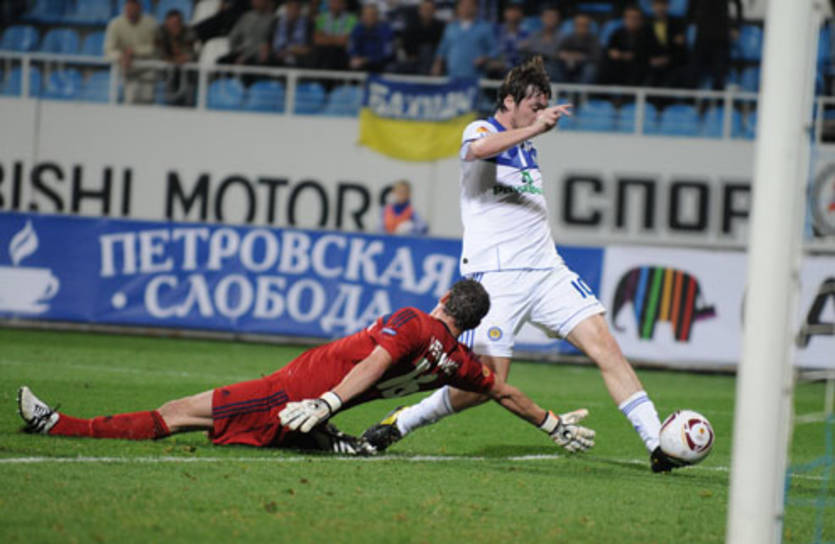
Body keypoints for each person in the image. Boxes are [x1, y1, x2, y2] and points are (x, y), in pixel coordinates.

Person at [361, 57, 680, 473]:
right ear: (509, 101)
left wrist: (532, 130)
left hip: (547, 272)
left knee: (607, 348)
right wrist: (535, 127)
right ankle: (402, 421)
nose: (541, 113)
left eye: (544, 106)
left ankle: (658, 444)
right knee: (483, 386)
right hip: (497, 280)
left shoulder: (526, 146)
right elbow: (478, 151)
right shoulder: (481, 130)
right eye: (534, 105)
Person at [17, 280, 595, 457]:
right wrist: (550, 424)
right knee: (195, 419)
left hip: (289, 396)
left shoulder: (414, 322)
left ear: (445, 297)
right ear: (471, 323)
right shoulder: (460, 361)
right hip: (305, 403)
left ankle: (59, 425)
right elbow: (503, 391)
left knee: (177, 414)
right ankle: (325, 441)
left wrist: (326, 401)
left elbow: (375, 361)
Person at [104, 0, 157, 104]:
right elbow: (108, 50)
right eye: (128, 9)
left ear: (140, 8)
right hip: (125, 69)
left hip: (147, 69)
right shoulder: (115, 24)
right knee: (129, 100)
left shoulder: (151, 23)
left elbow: (154, 48)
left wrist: (134, 51)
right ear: (125, 9)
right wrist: (121, 56)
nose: (131, 12)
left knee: (148, 101)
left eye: (134, 9)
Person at [432, 0, 496, 79]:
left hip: (475, 77)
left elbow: (494, 51)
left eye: (469, 5)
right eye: (463, 5)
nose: (466, 8)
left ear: (476, 8)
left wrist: (485, 58)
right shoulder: (450, 27)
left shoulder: (485, 27)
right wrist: (437, 65)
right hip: (452, 75)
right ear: (458, 7)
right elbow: (442, 50)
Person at [686, 0, 742, 90]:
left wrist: (736, 26)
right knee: (693, 74)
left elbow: (738, 5)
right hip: (702, 36)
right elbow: (690, 8)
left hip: (721, 38)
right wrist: (689, 23)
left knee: (719, 75)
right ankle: (690, 98)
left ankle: (719, 99)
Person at [599, 4, 657, 86]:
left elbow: (650, 52)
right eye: (629, 17)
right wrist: (614, 53)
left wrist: (634, 56)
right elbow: (610, 49)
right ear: (624, 19)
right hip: (620, 64)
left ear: (641, 20)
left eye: (635, 18)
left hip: (640, 65)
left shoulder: (648, 33)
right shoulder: (618, 33)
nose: (632, 21)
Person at [155, 9, 197, 106]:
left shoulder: (188, 32)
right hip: (166, 73)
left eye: (177, 23)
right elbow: (158, 52)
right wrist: (171, 59)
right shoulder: (160, 32)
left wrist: (183, 57)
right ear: (166, 23)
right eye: (172, 23)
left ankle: (188, 105)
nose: (175, 26)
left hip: (186, 72)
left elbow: (192, 53)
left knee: (189, 80)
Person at [217, 0, 276, 66]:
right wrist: (237, 50)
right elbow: (234, 36)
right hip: (240, 52)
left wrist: (245, 56)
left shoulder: (272, 19)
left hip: (256, 55)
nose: (256, 2)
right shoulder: (246, 17)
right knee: (221, 62)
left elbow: (264, 43)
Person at [394, 0, 445, 75]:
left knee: (426, 50)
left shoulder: (440, 26)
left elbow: (442, 45)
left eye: (429, 9)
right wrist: (411, 55)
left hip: (434, 59)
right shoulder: (411, 25)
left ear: (434, 11)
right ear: (419, 11)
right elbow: (406, 43)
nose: (427, 11)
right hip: (415, 59)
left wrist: (438, 61)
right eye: (425, 9)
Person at [645, 0, 688, 88]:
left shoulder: (678, 23)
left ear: (668, 6)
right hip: (650, 63)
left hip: (673, 63)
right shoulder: (645, 23)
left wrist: (668, 59)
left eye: (663, 5)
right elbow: (642, 46)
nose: (660, 8)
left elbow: (681, 49)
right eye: (657, 5)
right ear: (652, 7)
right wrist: (651, 60)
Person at [262, 0, 312, 67]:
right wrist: (265, 50)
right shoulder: (276, 22)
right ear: (286, 8)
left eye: (296, 8)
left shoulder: (308, 24)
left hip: (299, 59)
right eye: (290, 7)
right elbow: (268, 42)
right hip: (277, 58)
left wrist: (292, 50)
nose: (292, 11)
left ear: (300, 10)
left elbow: (309, 49)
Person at [486, 2, 529, 78]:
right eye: (510, 11)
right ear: (505, 13)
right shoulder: (494, 31)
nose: (513, 14)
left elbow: (525, 60)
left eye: (516, 11)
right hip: (493, 76)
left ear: (522, 15)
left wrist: (505, 65)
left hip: (515, 77)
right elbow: (487, 50)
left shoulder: (527, 36)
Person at [555, 13, 601, 84]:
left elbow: (596, 56)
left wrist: (581, 57)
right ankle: (561, 88)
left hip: (584, 66)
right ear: (574, 26)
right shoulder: (568, 38)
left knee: (591, 69)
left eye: (584, 25)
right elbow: (557, 53)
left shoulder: (594, 39)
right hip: (566, 65)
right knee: (554, 67)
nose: (581, 27)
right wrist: (564, 55)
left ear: (589, 26)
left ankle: (583, 90)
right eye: (578, 25)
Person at [519, 6, 562, 81]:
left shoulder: (563, 38)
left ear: (558, 20)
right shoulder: (534, 36)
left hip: (554, 71)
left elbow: (560, 56)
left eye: (553, 17)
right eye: (547, 16)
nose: (550, 19)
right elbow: (521, 48)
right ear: (542, 18)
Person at [348, 3, 395, 72]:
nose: (369, 17)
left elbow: (387, 53)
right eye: (366, 14)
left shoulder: (385, 29)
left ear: (377, 16)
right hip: (361, 63)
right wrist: (355, 57)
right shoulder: (358, 28)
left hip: (381, 64)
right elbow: (352, 47)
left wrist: (368, 59)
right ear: (362, 16)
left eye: (372, 14)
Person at [312, 0, 357, 70]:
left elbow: (345, 41)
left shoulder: (352, 19)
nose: (335, 5)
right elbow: (317, 40)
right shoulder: (322, 18)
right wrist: (337, 39)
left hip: (342, 53)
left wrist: (326, 37)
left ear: (344, 5)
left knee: (335, 51)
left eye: (338, 3)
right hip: (324, 53)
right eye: (333, 2)